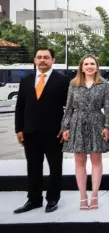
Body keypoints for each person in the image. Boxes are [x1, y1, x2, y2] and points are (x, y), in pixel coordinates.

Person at [14, 48, 70, 214]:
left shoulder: (63, 80)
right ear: (35, 60)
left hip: (54, 132)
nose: (42, 60)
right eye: (39, 57)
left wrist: (66, 127)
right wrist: (19, 128)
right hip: (30, 131)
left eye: (46, 57)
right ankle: (34, 199)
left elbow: (70, 107)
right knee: (33, 167)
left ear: (53, 60)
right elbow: (20, 107)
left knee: (55, 167)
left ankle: (52, 199)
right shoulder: (26, 81)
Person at [61, 55, 109, 210]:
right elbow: (69, 107)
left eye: (92, 64)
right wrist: (65, 127)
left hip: (97, 122)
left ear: (97, 67)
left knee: (96, 159)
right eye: (86, 64)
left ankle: (95, 195)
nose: (89, 66)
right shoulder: (74, 84)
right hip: (77, 122)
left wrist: (108, 126)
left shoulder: (104, 85)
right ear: (81, 67)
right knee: (80, 160)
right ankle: (83, 195)